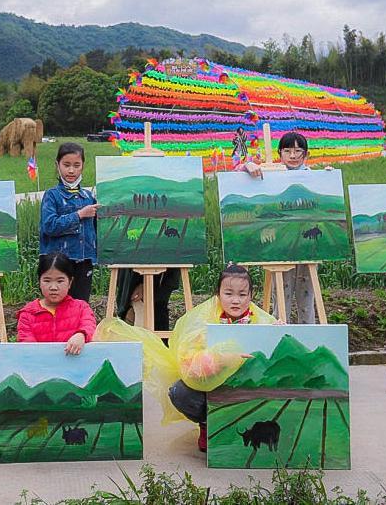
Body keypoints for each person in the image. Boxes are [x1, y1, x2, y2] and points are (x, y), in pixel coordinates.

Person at [98, 263, 277, 452]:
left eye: (242, 295)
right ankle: (207, 423)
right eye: (228, 293)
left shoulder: (262, 320)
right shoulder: (201, 320)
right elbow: (189, 367)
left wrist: (278, 332)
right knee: (179, 392)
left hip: (249, 388)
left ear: (251, 296)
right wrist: (221, 360)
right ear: (218, 294)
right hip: (213, 385)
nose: (236, 300)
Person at [237, 130, 326, 323]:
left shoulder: (315, 177)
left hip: (308, 248)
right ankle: (278, 336)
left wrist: (328, 177)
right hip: (281, 248)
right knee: (281, 297)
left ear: (306, 154)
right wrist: (248, 165)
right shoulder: (270, 174)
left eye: (297, 151)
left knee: (307, 298)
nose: (292, 156)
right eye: (287, 151)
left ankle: (308, 340)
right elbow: (238, 176)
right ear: (280, 153)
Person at [38, 143, 99, 302]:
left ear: (83, 166)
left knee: (80, 305)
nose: (71, 170)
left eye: (76, 165)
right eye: (66, 165)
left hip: (84, 261)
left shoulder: (89, 197)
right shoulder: (52, 195)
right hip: (57, 263)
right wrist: (79, 215)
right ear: (57, 165)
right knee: (57, 307)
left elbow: (97, 230)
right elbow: (49, 226)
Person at [16, 253, 97, 355]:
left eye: (60, 281)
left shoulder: (82, 308)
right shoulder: (27, 314)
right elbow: (27, 347)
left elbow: (89, 325)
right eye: (47, 280)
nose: (53, 287)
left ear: (70, 282)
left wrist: (81, 335)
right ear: (39, 282)